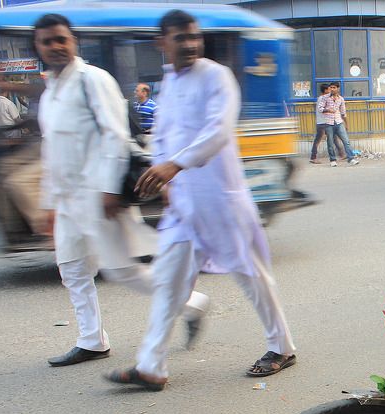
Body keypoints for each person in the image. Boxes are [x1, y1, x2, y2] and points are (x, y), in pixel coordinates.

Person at [106, 10, 296, 390]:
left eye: (194, 36)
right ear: (162, 43)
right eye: (180, 38)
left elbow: (218, 130)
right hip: (184, 205)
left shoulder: (216, 76)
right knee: (169, 282)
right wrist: (165, 178)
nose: (191, 43)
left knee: (251, 276)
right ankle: (151, 366)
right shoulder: (168, 83)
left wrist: (173, 166)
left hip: (219, 199)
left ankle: (282, 346)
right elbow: (162, 134)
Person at [28, 13, 208, 367]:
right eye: (47, 41)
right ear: (38, 46)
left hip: (98, 195)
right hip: (67, 200)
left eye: (61, 39)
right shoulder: (51, 91)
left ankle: (193, 305)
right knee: (72, 269)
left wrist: (109, 189)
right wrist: (49, 203)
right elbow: (52, 151)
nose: (55, 46)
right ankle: (91, 340)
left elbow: (115, 134)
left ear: (73, 41)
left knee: (121, 270)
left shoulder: (92, 80)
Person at [318, 81, 359, 166]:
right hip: (328, 123)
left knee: (346, 141)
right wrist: (328, 110)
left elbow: (343, 113)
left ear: (338, 88)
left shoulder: (341, 99)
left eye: (334, 87)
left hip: (339, 122)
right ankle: (333, 160)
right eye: (331, 87)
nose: (332, 89)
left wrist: (346, 124)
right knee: (330, 142)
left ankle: (351, 158)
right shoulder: (324, 98)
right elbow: (320, 109)